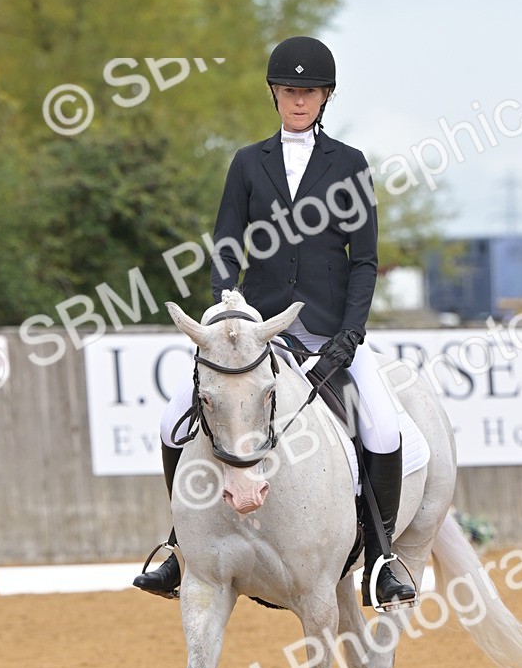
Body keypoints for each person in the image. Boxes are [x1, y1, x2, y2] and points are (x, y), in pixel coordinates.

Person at [134, 35, 416, 610]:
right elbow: (226, 247)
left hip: (329, 331)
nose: (298, 100)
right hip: (259, 334)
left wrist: (349, 337)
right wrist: (228, 318)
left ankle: (382, 557)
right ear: (275, 93)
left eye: (308, 92)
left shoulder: (350, 164)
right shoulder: (247, 163)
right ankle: (178, 549)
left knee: (383, 429)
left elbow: (363, 261)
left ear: (326, 96)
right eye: (289, 90)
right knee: (171, 422)